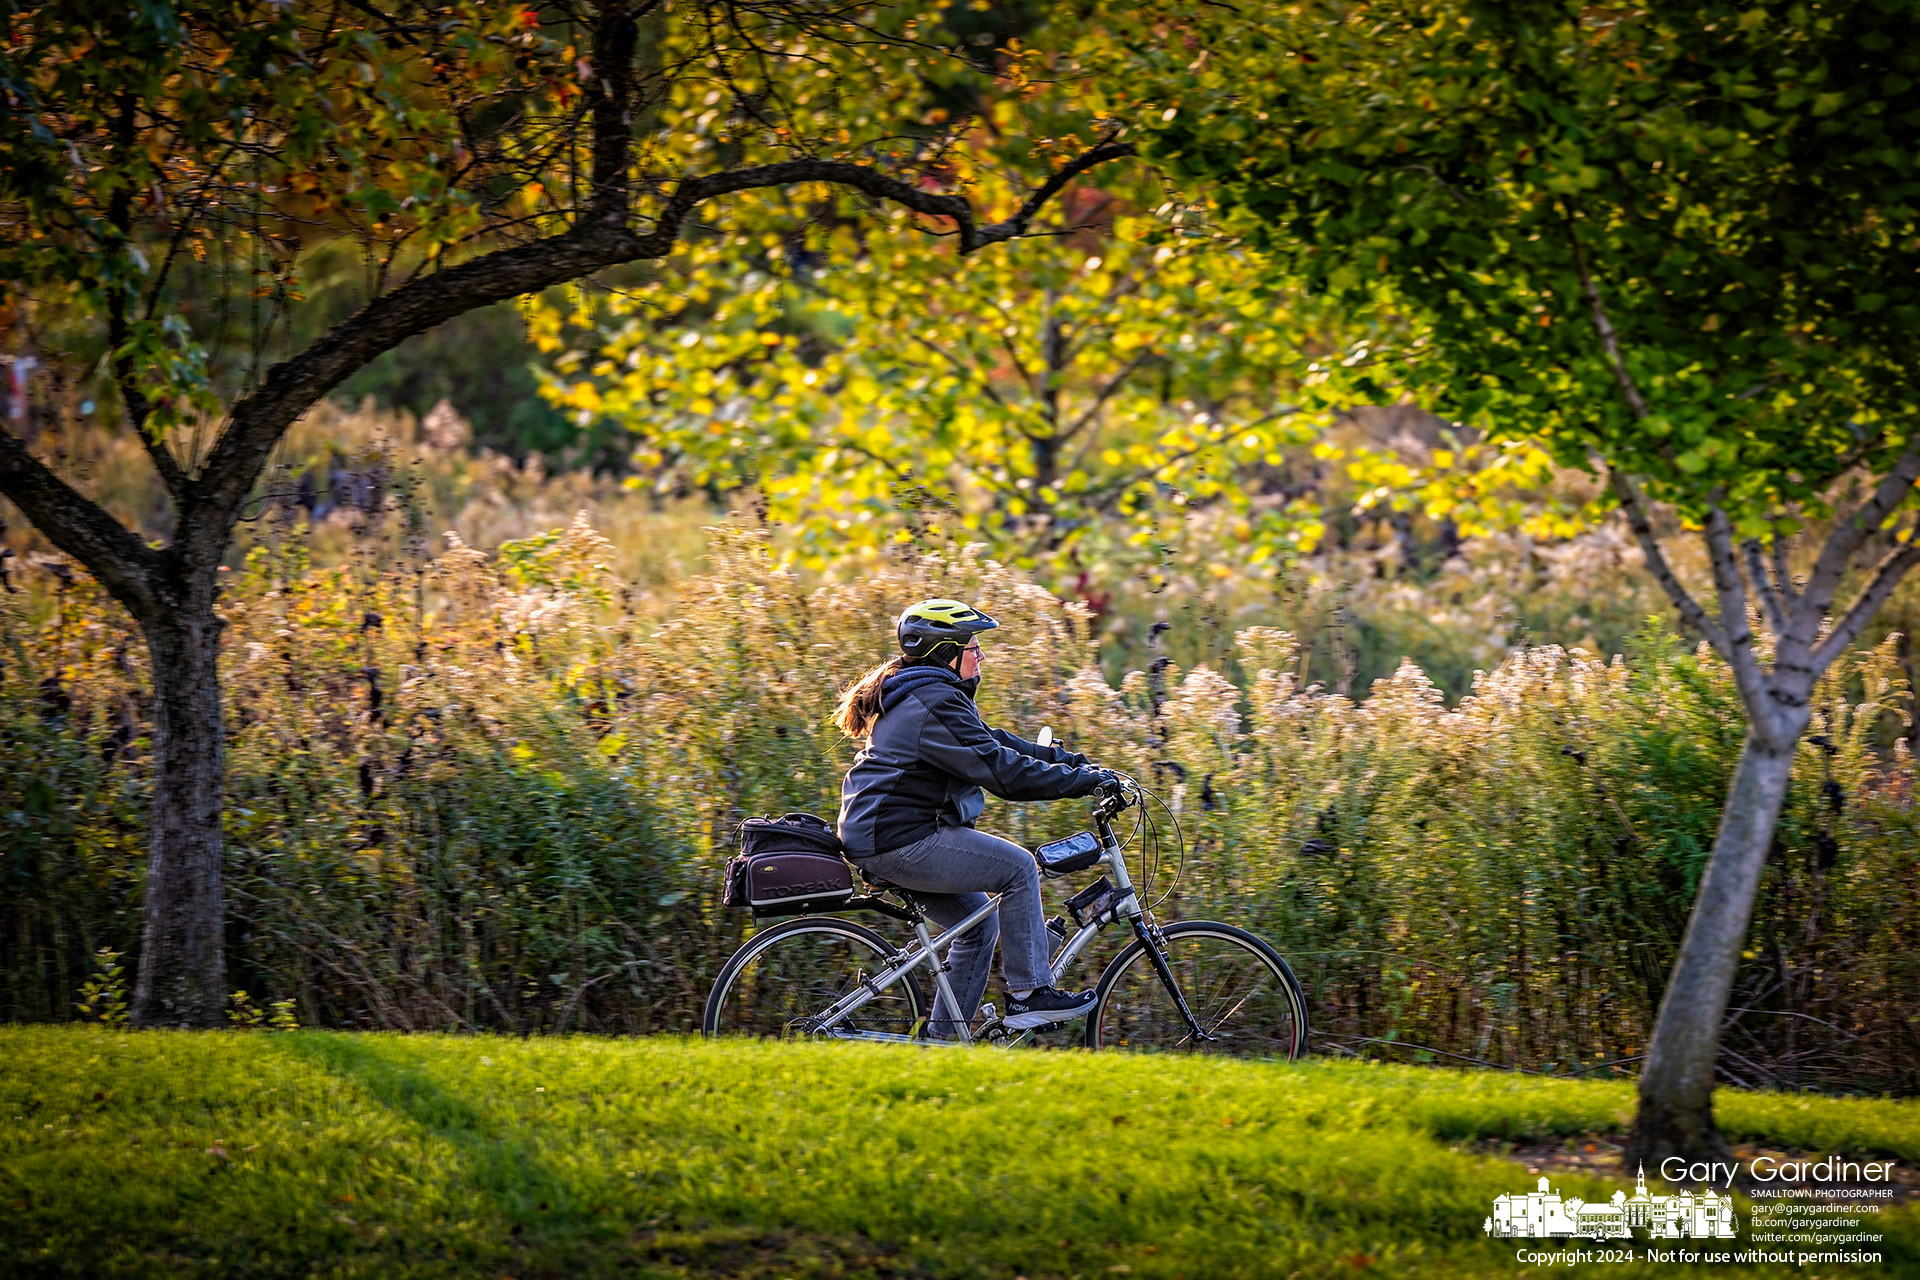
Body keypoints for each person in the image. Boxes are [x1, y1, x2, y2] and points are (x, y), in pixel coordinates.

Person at [834, 597, 1113, 1037]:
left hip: (884, 835)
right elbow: (1002, 773)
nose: (981, 655)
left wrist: (1069, 763)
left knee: (980, 926)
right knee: (1019, 868)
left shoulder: (925, 693)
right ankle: (1028, 994)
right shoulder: (932, 701)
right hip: (899, 840)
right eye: (974, 647)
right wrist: (1081, 782)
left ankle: (945, 1043)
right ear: (947, 652)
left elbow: (993, 742)